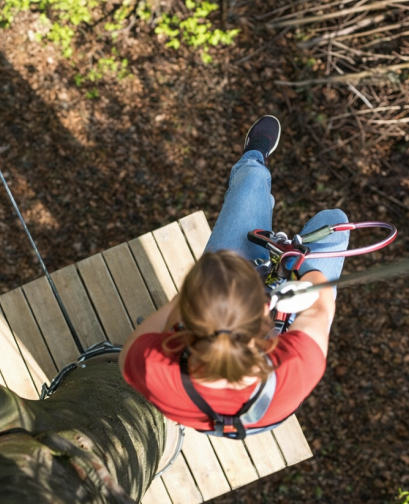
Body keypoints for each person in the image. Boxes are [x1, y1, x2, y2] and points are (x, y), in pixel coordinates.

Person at [119, 116, 350, 438]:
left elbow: (173, 309)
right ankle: (255, 172)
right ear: (264, 317)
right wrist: (300, 269)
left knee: (252, 182)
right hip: (260, 411)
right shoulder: (298, 364)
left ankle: (254, 158)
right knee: (335, 222)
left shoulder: (143, 363)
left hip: (197, 405)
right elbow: (322, 306)